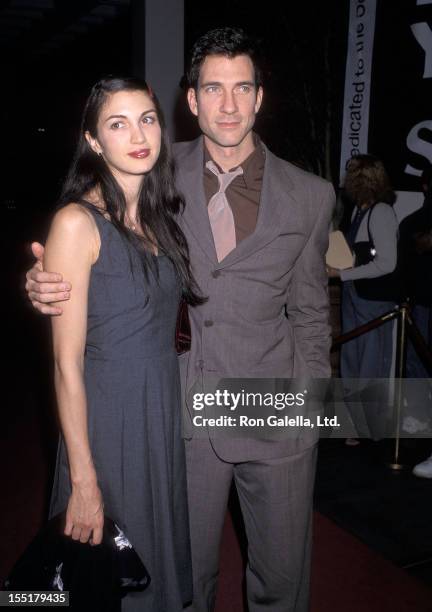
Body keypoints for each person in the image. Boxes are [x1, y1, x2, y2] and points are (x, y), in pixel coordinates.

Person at [26, 28, 335, 612]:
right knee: (181, 579)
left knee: (282, 581)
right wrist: (45, 286)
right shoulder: (156, 173)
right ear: (190, 100)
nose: (228, 104)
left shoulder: (311, 195)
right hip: (181, 413)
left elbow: (313, 314)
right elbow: (97, 242)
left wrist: (310, 407)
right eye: (212, 89)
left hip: (276, 409)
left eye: (242, 88)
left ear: (259, 98)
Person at [39, 76, 202, 611]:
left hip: (158, 415)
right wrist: (83, 479)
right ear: (92, 141)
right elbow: (65, 365)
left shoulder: (160, 218)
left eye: (147, 119)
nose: (138, 134)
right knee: (97, 580)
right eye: (117, 123)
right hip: (107, 423)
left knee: (150, 566)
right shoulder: (75, 223)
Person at [328, 155, 398, 442]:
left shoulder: (380, 212)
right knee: (352, 363)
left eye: (351, 175)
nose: (345, 181)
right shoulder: (357, 211)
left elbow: (388, 264)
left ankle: (374, 429)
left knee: (371, 366)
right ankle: (357, 426)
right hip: (355, 297)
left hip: (374, 301)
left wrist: (342, 275)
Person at [398, 166, 432, 477]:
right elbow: (406, 264)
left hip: (420, 301)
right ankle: (421, 419)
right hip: (420, 303)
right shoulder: (413, 222)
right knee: (416, 364)